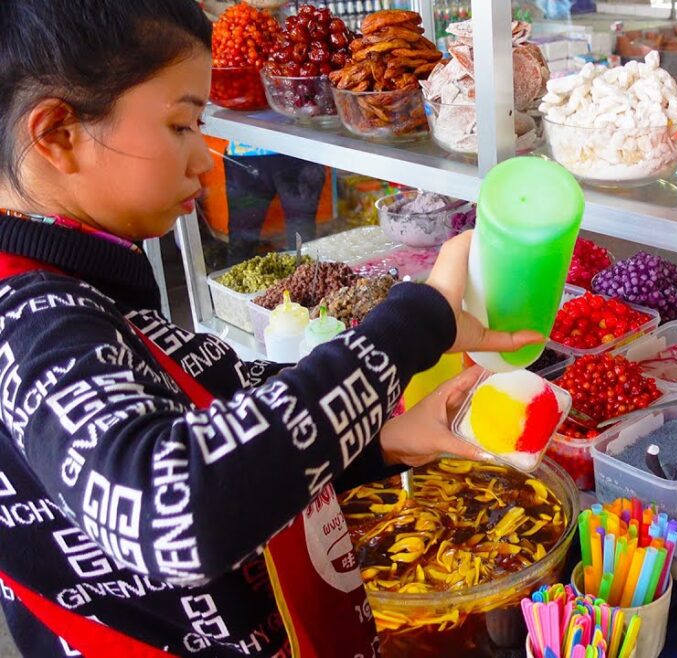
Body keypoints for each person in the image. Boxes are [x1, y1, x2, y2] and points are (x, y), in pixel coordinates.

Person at [0, 1, 540, 656]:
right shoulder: (34, 322)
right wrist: (413, 324)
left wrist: (378, 439)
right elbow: (177, 507)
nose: (205, 160)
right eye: (181, 124)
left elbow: (221, 414)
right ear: (57, 134)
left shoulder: (81, 294)